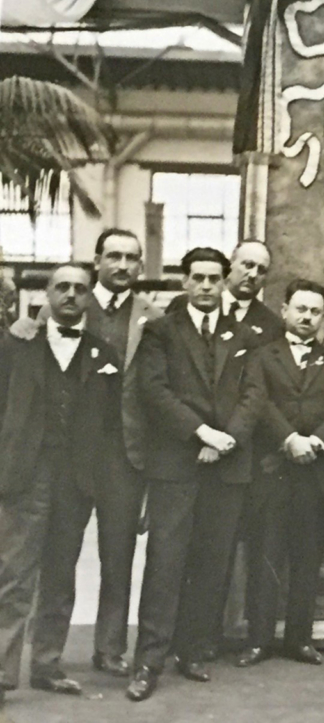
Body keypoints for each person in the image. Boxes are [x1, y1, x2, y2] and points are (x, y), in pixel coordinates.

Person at [9, 228, 161, 677]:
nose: (122, 264)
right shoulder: (39, 323)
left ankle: (90, 654)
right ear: (97, 260)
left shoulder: (150, 319)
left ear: (140, 266)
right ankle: (20, 661)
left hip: (114, 457)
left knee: (101, 561)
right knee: (34, 562)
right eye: (113, 255)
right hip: (49, 459)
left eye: (131, 258)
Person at [127, 247, 265, 702]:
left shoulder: (243, 335)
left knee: (211, 562)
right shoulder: (161, 331)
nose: (206, 286)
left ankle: (191, 650)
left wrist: (227, 439)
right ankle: (148, 660)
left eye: (213, 278)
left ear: (224, 281)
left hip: (227, 467)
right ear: (184, 281)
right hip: (177, 464)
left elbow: (253, 395)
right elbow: (154, 390)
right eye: (197, 278)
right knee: (166, 562)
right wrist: (201, 432)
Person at [0, 265, 122, 705]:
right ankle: (1, 673)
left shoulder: (104, 353)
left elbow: (111, 427)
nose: (71, 295)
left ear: (90, 297)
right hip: (24, 477)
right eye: (62, 287)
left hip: (76, 481)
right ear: (47, 293)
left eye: (80, 289)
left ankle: (47, 664)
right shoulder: (16, 344)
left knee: (60, 575)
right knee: (13, 575)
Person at [238, 280, 324, 669]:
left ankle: (299, 639)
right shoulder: (261, 357)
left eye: (315, 312)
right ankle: (258, 640)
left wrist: (317, 442)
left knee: (307, 561)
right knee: (265, 557)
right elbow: (260, 402)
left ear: (322, 317)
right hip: (273, 473)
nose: (307, 317)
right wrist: (289, 439)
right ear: (285, 310)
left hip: (315, 476)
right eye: (300, 309)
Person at [167, 239, 284, 348]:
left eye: (261, 270)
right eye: (248, 265)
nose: (253, 274)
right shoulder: (182, 304)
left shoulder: (273, 326)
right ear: (231, 264)